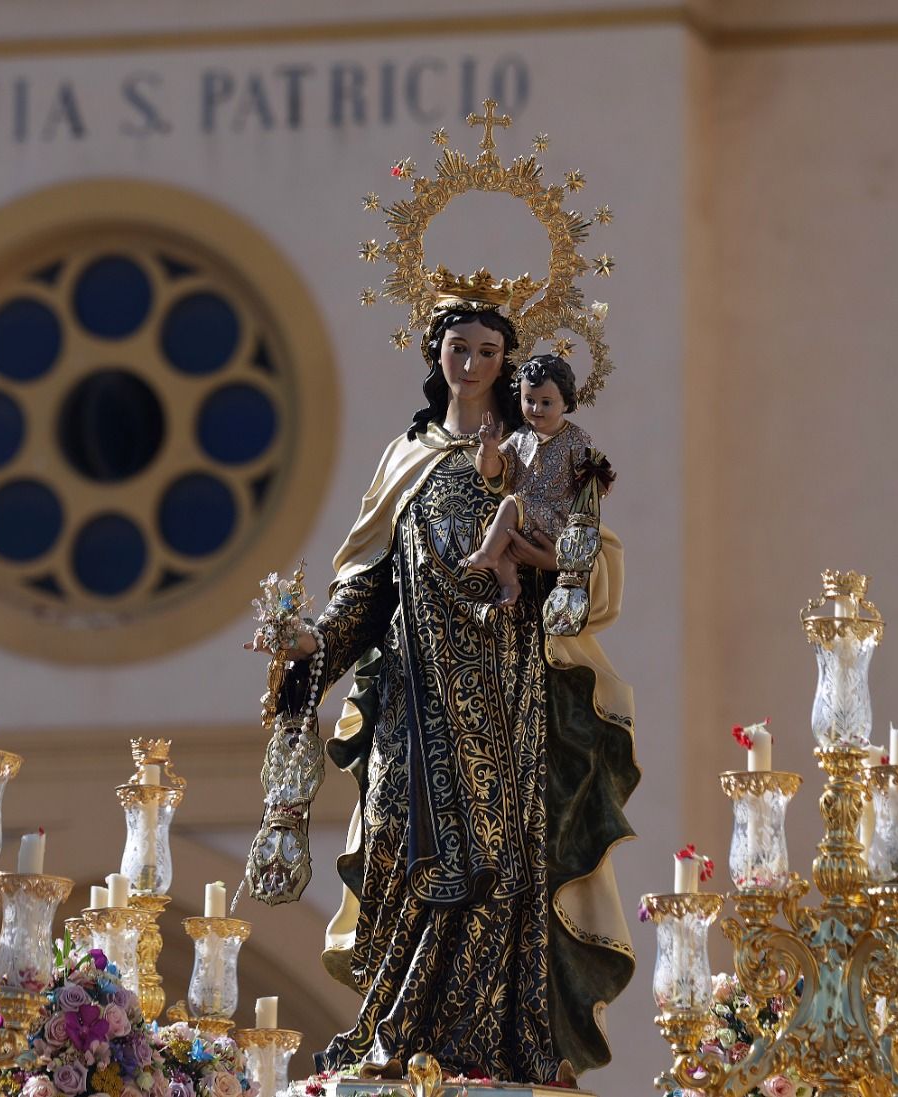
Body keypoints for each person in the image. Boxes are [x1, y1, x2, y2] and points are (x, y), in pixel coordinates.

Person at [248, 290, 640, 1085]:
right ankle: (396, 1029)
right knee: (397, 840)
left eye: (487, 351)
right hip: (412, 696)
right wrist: (312, 642)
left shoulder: (535, 452)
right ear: (437, 356)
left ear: (508, 362)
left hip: (504, 694)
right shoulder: (408, 458)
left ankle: (478, 1047)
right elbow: (367, 590)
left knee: (495, 857)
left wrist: (551, 556)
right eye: (456, 347)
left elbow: (577, 554)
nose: (469, 363)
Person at [464, 354, 613, 607]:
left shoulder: (576, 440)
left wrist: (595, 480)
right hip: (525, 518)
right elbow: (494, 471)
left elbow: (593, 481)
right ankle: (510, 585)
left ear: (566, 403)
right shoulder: (521, 437)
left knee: (510, 507)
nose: (536, 409)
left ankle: (487, 555)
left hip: (556, 519)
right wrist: (488, 449)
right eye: (529, 401)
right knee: (497, 533)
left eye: (546, 402)